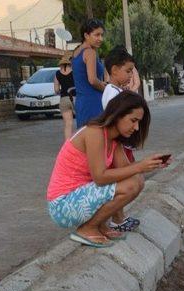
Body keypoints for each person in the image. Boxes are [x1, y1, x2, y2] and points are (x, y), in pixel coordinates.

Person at [47, 91, 166, 247]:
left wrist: (151, 164)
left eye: (139, 122)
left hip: (80, 197)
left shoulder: (113, 140)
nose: (136, 127)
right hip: (62, 205)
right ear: (118, 114)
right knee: (131, 184)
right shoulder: (94, 132)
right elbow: (100, 177)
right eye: (133, 120)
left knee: (137, 180)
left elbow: (126, 171)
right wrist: (140, 166)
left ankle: (100, 225)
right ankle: (87, 228)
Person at [102, 47, 140, 232]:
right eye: (128, 71)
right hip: (119, 145)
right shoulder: (111, 92)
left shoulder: (116, 90)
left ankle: (120, 218)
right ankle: (117, 219)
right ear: (114, 70)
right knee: (123, 180)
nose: (130, 75)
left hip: (123, 144)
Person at [72, 19, 107, 128]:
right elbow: (92, 80)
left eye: (102, 35)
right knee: (96, 138)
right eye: (97, 35)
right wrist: (107, 89)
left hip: (81, 102)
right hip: (93, 101)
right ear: (86, 35)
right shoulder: (90, 52)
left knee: (85, 137)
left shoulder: (76, 52)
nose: (100, 39)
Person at [54, 57, 76, 141]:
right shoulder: (75, 72)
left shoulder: (57, 74)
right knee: (81, 122)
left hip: (64, 99)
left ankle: (68, 144)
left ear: (61, 64)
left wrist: (60, 91)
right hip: (75, 98)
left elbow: (56, 90)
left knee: (68, 124)